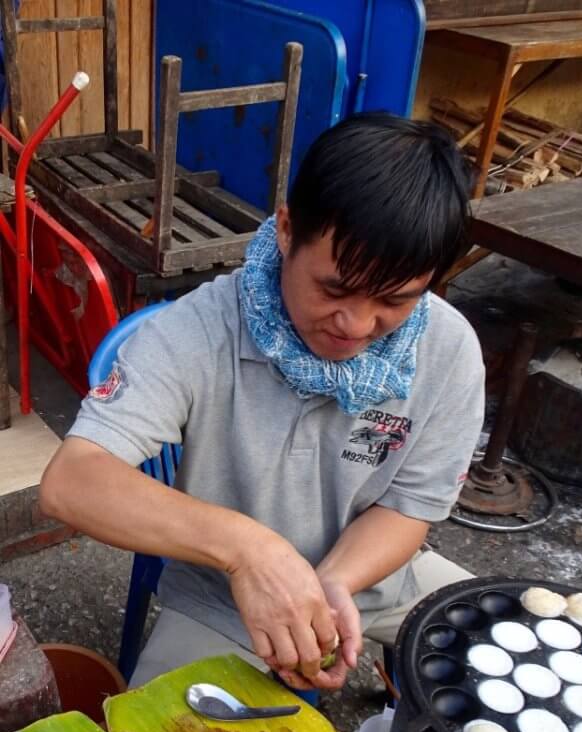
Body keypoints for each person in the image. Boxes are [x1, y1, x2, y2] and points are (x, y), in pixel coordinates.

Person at [41, 112, 485, 693]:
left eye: (395, 300)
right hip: (223, 604)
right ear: (285, 230)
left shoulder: (448, 350)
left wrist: (328, 587)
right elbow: (71, 482)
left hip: (381, 583)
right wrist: (250, 553)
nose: (356, 324)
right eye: (333, 289)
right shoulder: (199, 330)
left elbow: (409, 508)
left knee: (529, 670)